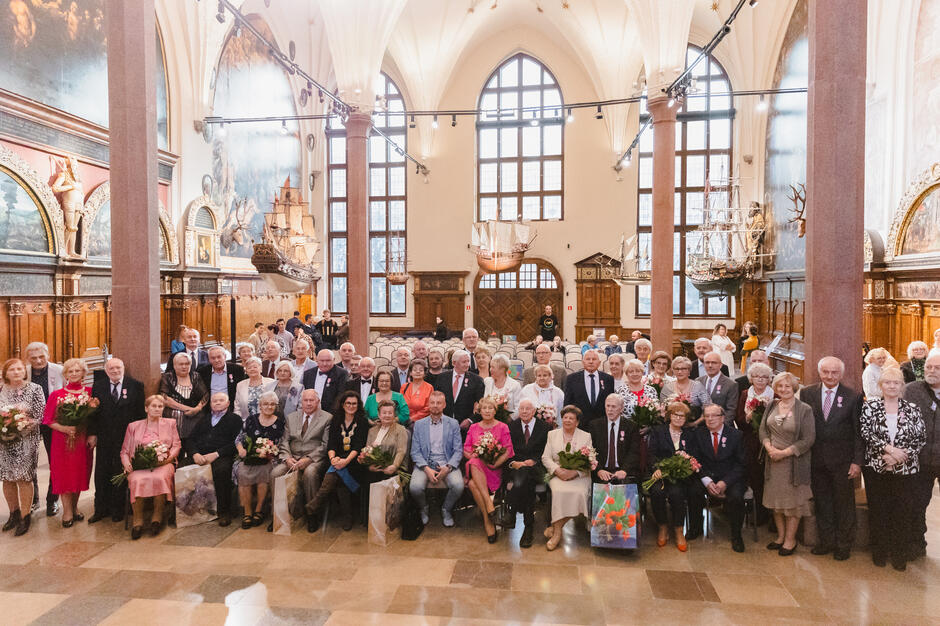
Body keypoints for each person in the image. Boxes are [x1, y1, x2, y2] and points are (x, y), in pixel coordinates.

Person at [860, 367, 926, 570]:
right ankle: (879, 551)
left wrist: (899, 456)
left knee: (902, 511)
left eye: (896, 383)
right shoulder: (870, 407)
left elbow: (920, 437)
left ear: (901, 386)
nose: (891, 386)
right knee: (879, 510)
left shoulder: (913, 408)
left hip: (905, 469)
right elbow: (866, 431)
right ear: (881, 386)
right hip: (876, 467)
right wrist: (887, 450)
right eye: (887, 382)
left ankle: (899, 554)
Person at [799, 356, 864, 561]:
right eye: (825, 372)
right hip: (816, 459)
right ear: (820, 372)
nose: (829, 376)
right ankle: (826, 541)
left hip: (843, 461)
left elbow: (858, 432)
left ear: (841, 374)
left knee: (843, 504)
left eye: (834, 372)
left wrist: (857, 461)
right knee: (822, 502)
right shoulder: (807, 393)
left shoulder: (853, 397)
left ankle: (844, 544)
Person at [760, 371, 816, 556]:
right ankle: (780, 537)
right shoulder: (771, 405)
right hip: (773, 462)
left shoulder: (804, 409)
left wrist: (783, 453)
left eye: (787, 386)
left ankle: (790, 540)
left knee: (793, 504)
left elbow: (808, 439)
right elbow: (763, 431)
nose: (783, 389)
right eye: (779, 386)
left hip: (793, 463)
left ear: (794, 387)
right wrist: (769, 448)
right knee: (777, 502)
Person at [89, 358, 145, 523]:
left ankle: (118, 509)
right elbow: (93, 413)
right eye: (111, 368)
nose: (115, 371)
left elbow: (140, 414)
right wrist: (92, 434)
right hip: (105, 436)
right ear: (106, 371)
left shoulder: (135, 385)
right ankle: (100, 509)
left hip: (126, 437)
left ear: (123, 368)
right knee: (101, 472)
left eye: (118, 367)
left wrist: (138, 437)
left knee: (120, 472)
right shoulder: (98, 386)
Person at [305, 391, 370, 531]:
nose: (351, 406)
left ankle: (313, 506)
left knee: (337, 476)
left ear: (358, 405)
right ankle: (347, 516)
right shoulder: (335, 420)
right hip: (336, 459)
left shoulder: (363, 422)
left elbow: (359, 446)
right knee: (338, 477)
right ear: (342, 404)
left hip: (354, 461)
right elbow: (331, 444)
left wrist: (345, 461)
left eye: (354, 404)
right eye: (348, 403)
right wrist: (333, 459)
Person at [687, 404, 748, 552]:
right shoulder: (698, 434)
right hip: (706, 475)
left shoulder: (736, 435)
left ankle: (736, 535)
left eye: (714, 415)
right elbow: (694, 459)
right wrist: (707, 480)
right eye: (707, 416)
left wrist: (724, 483)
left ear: (722, 417)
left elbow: (742, 465)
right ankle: (696, 527)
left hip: (730, 478)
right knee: (693, 490)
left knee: (736, 497)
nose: (710, 419)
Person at [270, 389, 331, 532]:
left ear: (318, 402)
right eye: (305, 400)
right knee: (275, 473)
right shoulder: (291, 417)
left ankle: (312, 515)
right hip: (292, 456)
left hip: (314, 458)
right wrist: (287, 458)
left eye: (312, 400)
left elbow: (325, 445)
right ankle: (279, 515)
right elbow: (284, 441)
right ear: (301, 402)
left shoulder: (327, 418)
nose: (308, 403)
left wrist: (309, 459)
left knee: (310, 473)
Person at [119, 395, 181, 539]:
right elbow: (125, 451)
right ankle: (138, 519)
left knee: (159, 477)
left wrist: (169, 458)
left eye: (160, 407)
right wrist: (127, 463)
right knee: (136, 480)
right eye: (154, 406)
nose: (157, 409)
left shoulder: (170, 423)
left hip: (163, 463)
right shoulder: (133, 426)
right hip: (139, 465)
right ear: (146, 408)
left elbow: (177, 445)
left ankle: (157, 517)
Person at [42, 358, 94, 527]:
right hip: (61, 441)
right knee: (65, 475)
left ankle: (76, 506)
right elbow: (48, 420)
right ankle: (67, 511)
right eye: (70, 371)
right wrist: (65, 429)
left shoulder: (90, 393)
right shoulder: (56, 395)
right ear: (65, 374)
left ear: (83, 373)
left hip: (82, 440)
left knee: (80, 473)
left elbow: (94, 419)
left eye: (77, 371)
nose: (73, 374)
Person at [0, 358, 44, 536]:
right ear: (6, 374)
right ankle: (14, 513)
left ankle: (26, 517)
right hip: (4, 441)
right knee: (7, 477)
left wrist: (21, 425)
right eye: (12, 370)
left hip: (26, 440)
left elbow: (41, 415)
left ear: (24, 371)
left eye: (19, 369)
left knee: (24, 477)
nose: (16, 372)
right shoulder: (1, 389)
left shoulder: (35, 389)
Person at [185, 392, 242, 526]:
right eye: (214, 401)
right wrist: (194, 454)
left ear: (228, 403)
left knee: (221, 471)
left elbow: (237, 442)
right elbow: (190, 439)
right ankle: (185, 511)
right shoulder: (204, 419)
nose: (217, 402)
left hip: (222, 456)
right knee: (182, 468)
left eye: (221, 400)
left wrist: (216, 454)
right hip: (200, 455)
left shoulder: (235, 419)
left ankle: (223, 512)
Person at [903, 353, 940, 559]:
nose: (931, 371)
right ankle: (916, 543)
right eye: (929, 367)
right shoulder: (911, 390)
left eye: (937, 368)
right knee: (916, 503)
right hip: (920, 459)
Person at [542, 405, 593, 551]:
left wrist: (574, 473)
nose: (568, 420)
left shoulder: (586, 436)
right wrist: (558, 470)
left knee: (580, 493)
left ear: (577, 422)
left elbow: (589, 461)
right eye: (565, 417)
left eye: (571, 418)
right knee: (558, 492)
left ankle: (555, 529)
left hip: (579, 476)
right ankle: (558, 533)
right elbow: (545, 457)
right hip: (558, 475)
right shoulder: (552, 434)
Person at [646, 402, 696, 551]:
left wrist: (686, 464)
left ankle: (678, 530)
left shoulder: (690, 435)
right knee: (656, 492)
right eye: (675, 414)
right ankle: (662, 527)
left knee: (677, 493)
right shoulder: (658, 431)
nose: (678, 418)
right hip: (660, 474)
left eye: (682, 416)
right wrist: (657, 468)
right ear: (669, 416)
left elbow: (693, 456)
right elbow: (651, 454)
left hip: (679, 476)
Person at [463, 396, 513, 543]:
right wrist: (472, 454)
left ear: (495, 410)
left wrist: (495, 463)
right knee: (474, 460)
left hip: (494, 467)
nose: (487, 410)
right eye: (484, 408)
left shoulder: (503, 427)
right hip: (477, 466)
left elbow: (508, 450)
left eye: (490, 408)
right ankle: (488, 518)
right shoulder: (473, 427)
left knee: (473, 484)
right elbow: (466, 449)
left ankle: (487, 515)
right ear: (480, 411)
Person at [410, 392, 464, 526]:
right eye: (432, 402)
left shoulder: (453, 423)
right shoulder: (419, 424)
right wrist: (426, 469)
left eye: (439, 403)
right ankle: (424, 508)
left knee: (458, 486)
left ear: (444, 405)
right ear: (428, 404)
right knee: (415, 488)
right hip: (425, 463)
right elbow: (415, 452)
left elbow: (458, 450)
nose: (435, 406)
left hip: (446, 462)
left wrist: (449, 467)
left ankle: (446, 509)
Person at [235, 391, 286, 529]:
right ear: (260, 405)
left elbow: (282, 444)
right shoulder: (251, 419)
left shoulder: (281, 423)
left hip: (269, 459)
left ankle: (259, 510)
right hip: (248, 456)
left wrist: (270, 452)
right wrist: (241, 450)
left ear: (276, 406)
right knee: (242, 472)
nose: (269, 407)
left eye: (272, 404)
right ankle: (247, 512)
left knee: (265, 471)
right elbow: (239, 438)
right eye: (265, 404)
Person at [734, 361, 775, 526]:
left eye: (764, 377)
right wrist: (748, 417)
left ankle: (770, 513)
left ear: (769, 379)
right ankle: (757, 513)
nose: (760, 379)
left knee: (768, 478)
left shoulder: (775, 395)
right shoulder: (745, 394)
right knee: (754, 477)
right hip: (750, 441)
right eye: (757, 376)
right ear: (751, 378)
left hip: (770, 442)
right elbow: (739, 418)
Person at [25, 341, 63, 516]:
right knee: (28, 463)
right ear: (28, 359)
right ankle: (33, 500)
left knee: (55, 462)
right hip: (28, 423)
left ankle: (52, 500)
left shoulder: (58, 370)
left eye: (41, 356)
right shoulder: (23, 371)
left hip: (52, 422)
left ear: (48, 355)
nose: (38, 360)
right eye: (34, 358)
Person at [506, 398, 550, 547]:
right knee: (526, 483)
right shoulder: (511, 426)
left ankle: (511, 510)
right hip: (516, 468)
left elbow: (546, 450)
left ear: (534, 411)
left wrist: (535, 461)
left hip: (536, 467)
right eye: (521, 409)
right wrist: (514, 463)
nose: (524, 411)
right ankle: (528, 527)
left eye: (528, 409)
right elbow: (507, 450)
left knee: (526, 476)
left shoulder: (544, 427)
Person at [590, 394, 641, 482]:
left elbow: (634, 452)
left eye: (613, 407)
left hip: (623, 471)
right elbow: (590, 450)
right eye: (608, 406)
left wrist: (624, 470)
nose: (610, 410)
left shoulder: (631, 426)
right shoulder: (595, 425)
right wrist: (599, 470)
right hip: (601, 471)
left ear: (621, 409)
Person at [160, 351, 209, 441]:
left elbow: (205, 395)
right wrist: (187, 409)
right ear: (174, 365)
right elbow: (164, 398)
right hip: (174, 418)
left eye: (187, 364)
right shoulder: (167, 377)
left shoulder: (195, 376)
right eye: (181, 364)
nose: (184, 366)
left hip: (195, 417)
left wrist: (197, 409)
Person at [434, 350, 485, 431]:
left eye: (468, 361)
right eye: (464, 362)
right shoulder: (442, 378)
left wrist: (470, 420)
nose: (467, 364)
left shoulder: (477, 380)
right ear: (454, 363)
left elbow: (481, 404)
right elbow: (436, 399)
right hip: (443, 424)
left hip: (466, 427)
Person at [361, 401, 410, 485]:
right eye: (384, 413)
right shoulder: (372, 431)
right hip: (375, 468)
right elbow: (367, 450)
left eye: (390, 413)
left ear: (394, 415)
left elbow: (401, 451)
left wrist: (394, 466)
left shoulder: (401, 430)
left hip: (394, 469)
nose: (387, 415)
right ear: (379, 415)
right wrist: (370, 467)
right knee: (364, 477)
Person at [564, 350, 614, 427]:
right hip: (579, 425)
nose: (591, 362)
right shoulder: (571, 379)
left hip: (602, 425)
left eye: (594, 359)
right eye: (588, 359)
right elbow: (567, 403)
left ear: (599, 363)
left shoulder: (608, 379)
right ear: (583, 362)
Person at [661, 356, 710, 424]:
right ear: (673, 371)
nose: (680, 371)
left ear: (689, 370)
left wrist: (695, 423)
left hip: (694, 427)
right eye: (677, 369)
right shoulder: (667, 387)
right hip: (672, 426)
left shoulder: (698, 386)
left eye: (683, 369)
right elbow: (663, 410)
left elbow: (708, 407)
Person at [302, 349, 349, 416]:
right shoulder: (308, 374)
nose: (325, 364)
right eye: (322, 361)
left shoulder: (341, 374)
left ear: (334, 360)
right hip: (310, 414)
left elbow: (340, 396)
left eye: (328, 361)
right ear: (317, 360)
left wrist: (328, 415)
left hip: (332, 414)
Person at [698, 352, 738, 427]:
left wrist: (719, 428)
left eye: (714, 363)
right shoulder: (698, 381)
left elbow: (731, 411)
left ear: (720, 365)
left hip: (721, 428)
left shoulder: (731, 384)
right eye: (707, 362)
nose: (710, 365)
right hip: (701, 428)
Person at [233, 355, 276, 421]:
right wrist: (238, 421)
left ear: (261, 369)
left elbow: (276, 404)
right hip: (247, 422)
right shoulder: (240, 385)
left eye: (255, 367)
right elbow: (237, 407)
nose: (252, 369)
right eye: (249, 368)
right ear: (246, 371)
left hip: (268, 421)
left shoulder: (271, 382)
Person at [401, 359, 433, 423]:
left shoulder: (429, 387)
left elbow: (428, 408)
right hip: (404, 421)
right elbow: (400, 405)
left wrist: (413, 418)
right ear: (410, 373)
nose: (418, 372)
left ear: (424, 373)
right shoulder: (404, 387)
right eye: (415, 370)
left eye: (421, 370)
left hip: (422, 421)